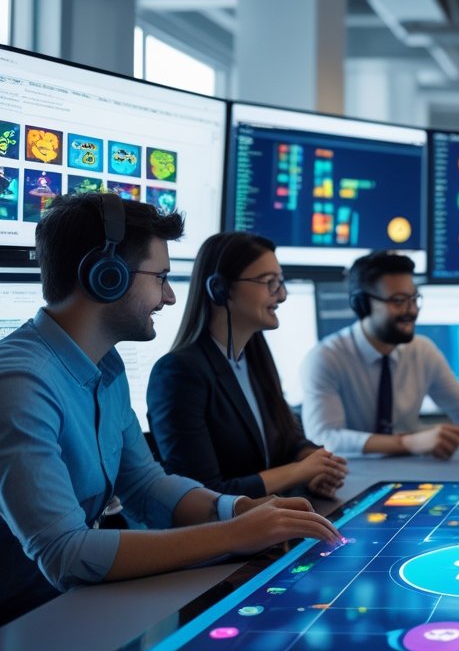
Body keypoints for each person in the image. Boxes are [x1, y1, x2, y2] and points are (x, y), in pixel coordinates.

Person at [0, 193, 340, 627]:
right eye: (160, 277)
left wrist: (237, 509)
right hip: (20, 624)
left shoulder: (106, 366)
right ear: (108, 277)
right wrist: (235, 534)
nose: (169, 297)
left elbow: (143, 484)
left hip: (73, 611)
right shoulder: (20, 382)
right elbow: (65, 553)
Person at [147, 232, 348, 500]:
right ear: (220, 289)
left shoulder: (253, 358)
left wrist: (315, 463)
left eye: (281, 282)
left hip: (272, 523)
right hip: (224, 536)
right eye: (270, 283)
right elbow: (201, 494)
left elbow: (288, 439)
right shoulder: (178, 374)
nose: (283, 295)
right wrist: (300, 472)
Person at [301, 250, 459, 459]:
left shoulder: (422, 351)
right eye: (399, 301)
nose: (411, 310)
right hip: (348, 475)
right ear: (363, 305)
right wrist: (408, 442)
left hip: (409, 473)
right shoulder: (326, 358)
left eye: (414, 299)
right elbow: (323, 438)